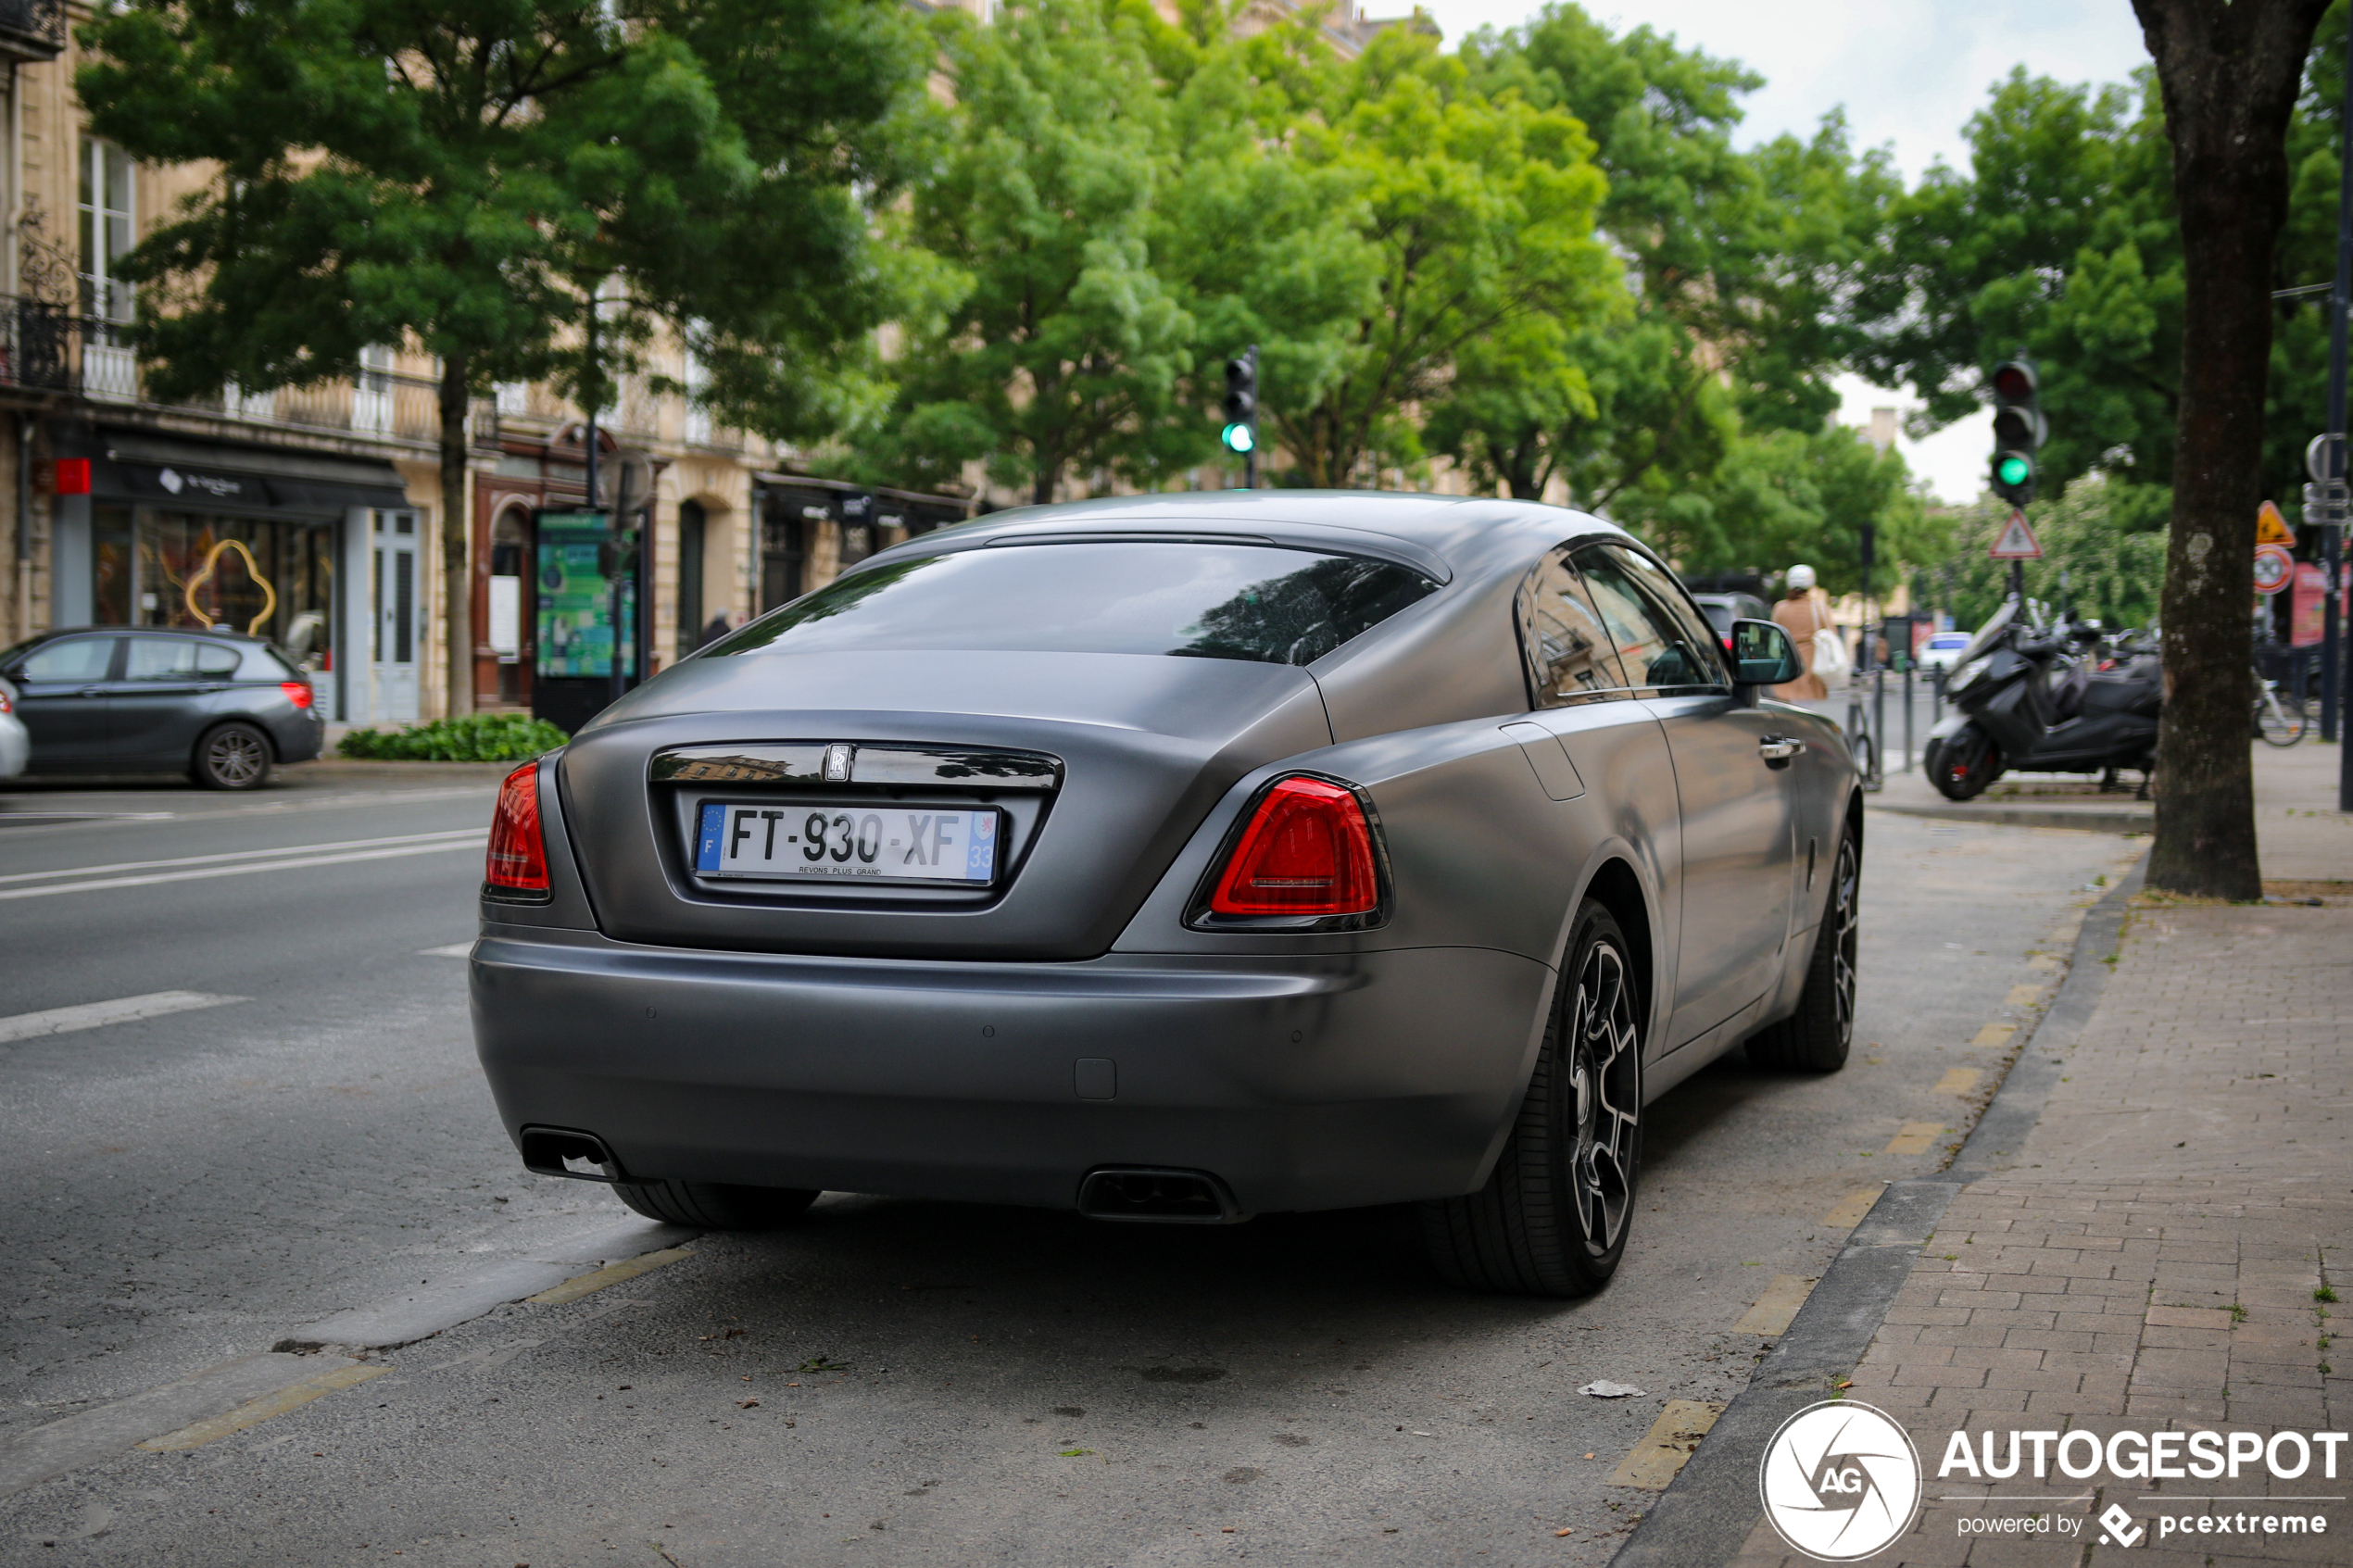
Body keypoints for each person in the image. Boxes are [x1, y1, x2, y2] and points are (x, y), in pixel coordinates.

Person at [1771, 564, 1830, 701]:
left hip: (1786, 669)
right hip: (1811, 670)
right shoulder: (1819, 608)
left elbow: (1773, 638)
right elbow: (1831, 634)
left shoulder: (1780, 609)